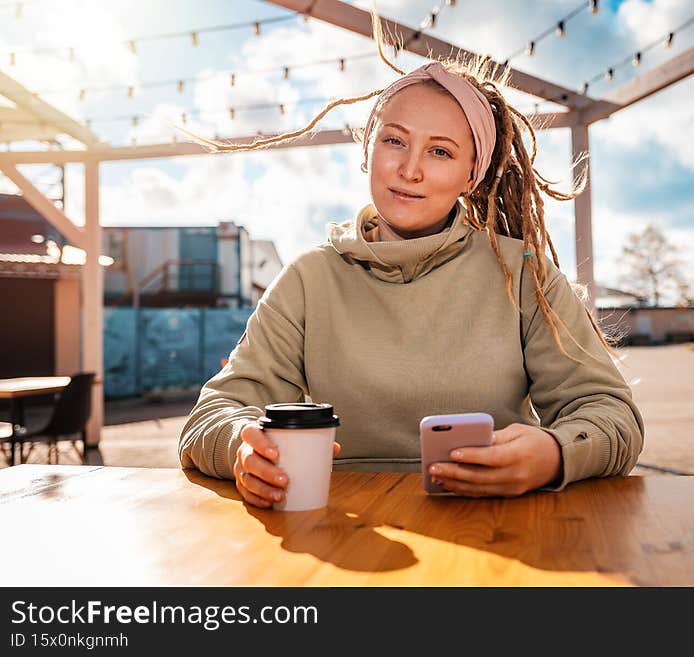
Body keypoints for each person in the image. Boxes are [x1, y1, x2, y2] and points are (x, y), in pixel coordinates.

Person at [179, 13, 644, 508]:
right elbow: (211, 416)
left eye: (440, 152)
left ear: (472, 174)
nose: (410, 169)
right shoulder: (308, 279)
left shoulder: (522, 274)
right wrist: (242, 448)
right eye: (394, 140)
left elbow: (611, 413)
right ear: (368, 150)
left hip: (498, 532)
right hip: (345, 534)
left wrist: (552, 454)